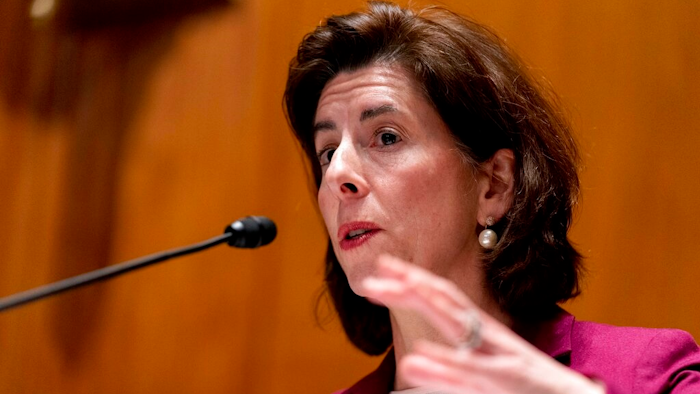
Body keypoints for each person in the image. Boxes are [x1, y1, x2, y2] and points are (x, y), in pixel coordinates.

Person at [284, 2, 700, 393]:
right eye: (327, 151)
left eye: (386, 137)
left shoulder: (652, 375)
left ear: (494, 186)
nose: (338, 174)